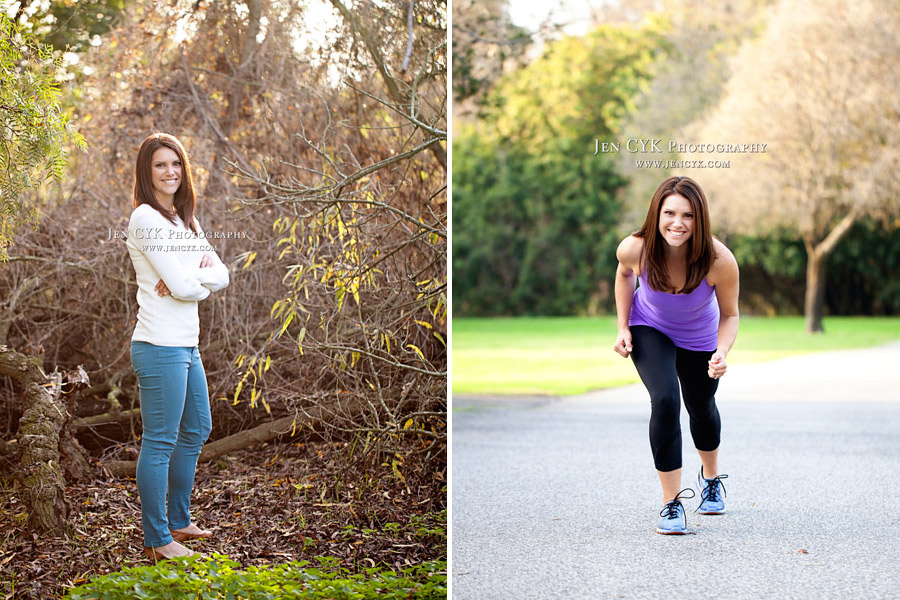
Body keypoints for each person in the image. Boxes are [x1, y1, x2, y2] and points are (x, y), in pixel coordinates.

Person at [613, 175, 739, 535]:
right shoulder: (635, 248)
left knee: (701, 406)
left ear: (700, 219)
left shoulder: (719, 260)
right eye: (669, 213)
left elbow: (730, 314)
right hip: (649, 327)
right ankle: (671, 504)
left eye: (687, 215)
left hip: (699, 339)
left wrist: (722, 351)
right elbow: (624, 275)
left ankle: (711, 478)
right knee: (666, 399)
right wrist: (623, 326)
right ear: (656, 214)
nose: (677, 223)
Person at [126, 133, 230, 559]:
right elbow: (192, 285)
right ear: (147, 173)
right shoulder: (146, 219)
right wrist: (194, 281)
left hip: (187, 345)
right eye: (160, 166)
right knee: (161, 439)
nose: (170, 172)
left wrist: (192, 282)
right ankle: (157, 540)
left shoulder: (187, 221)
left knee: (197, 428)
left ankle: (178, 521)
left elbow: (219, 275)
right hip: (158, 344)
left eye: (176, 164)